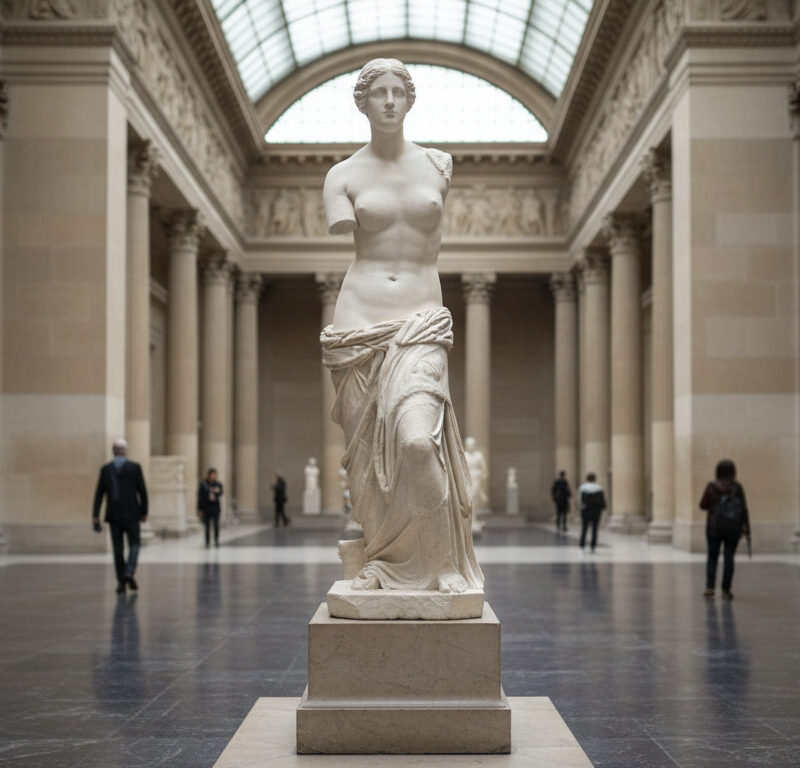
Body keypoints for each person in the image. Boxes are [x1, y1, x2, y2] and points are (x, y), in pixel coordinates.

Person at [320, 59, 483, 593]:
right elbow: (342, 226)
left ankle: (443, 564)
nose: (389, 100)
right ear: (362, 103)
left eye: (398, 91)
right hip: (359, 324)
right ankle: (380, 559)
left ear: (410, 101)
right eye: (378, 92)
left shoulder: (438, 165)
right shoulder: (341, 176)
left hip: (420, 323)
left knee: (416, 442)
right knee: (368, 465)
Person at [92, 439, 148, 594]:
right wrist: (144, 512)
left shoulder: (106, 469)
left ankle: (121, 581)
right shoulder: (134, 468)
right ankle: (129, 572)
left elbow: (99, 494)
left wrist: (95, 515)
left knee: (118, 549)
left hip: (114, 515)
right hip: (131, 514)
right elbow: (142, 491)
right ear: (125, 451)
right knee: (134, 545)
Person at [700, 459, 751, 600]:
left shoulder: (711, 487)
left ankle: (710, 587)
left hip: (714, 527)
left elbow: (703, 505)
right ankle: (726, 590)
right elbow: (744, 509)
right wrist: (747, 529)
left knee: (712, 557)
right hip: (733, 528)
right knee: (729, 558)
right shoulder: (737, 487)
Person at [577, 472, 606, 553]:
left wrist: (581, 508)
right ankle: (593, 546)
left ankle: (582, 545)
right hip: (596, 510)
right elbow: (602, 500)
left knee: (584, 528)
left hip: (586, 510)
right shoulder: (598, 487)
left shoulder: (582, 487)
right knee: (595, 528)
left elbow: (579, 500)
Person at [197, 468, 223, 548]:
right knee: (207, 526)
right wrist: (200, 509)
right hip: (207, 506)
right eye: (212, 475)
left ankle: (216, 541)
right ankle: (207, 542)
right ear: (209, 475)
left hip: (215, 507)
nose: (213, 477)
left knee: (216, 525)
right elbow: (200, 497)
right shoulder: (203, 484)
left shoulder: (218, 484)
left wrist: (218, 491)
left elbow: (221, 493)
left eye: (214, 475)